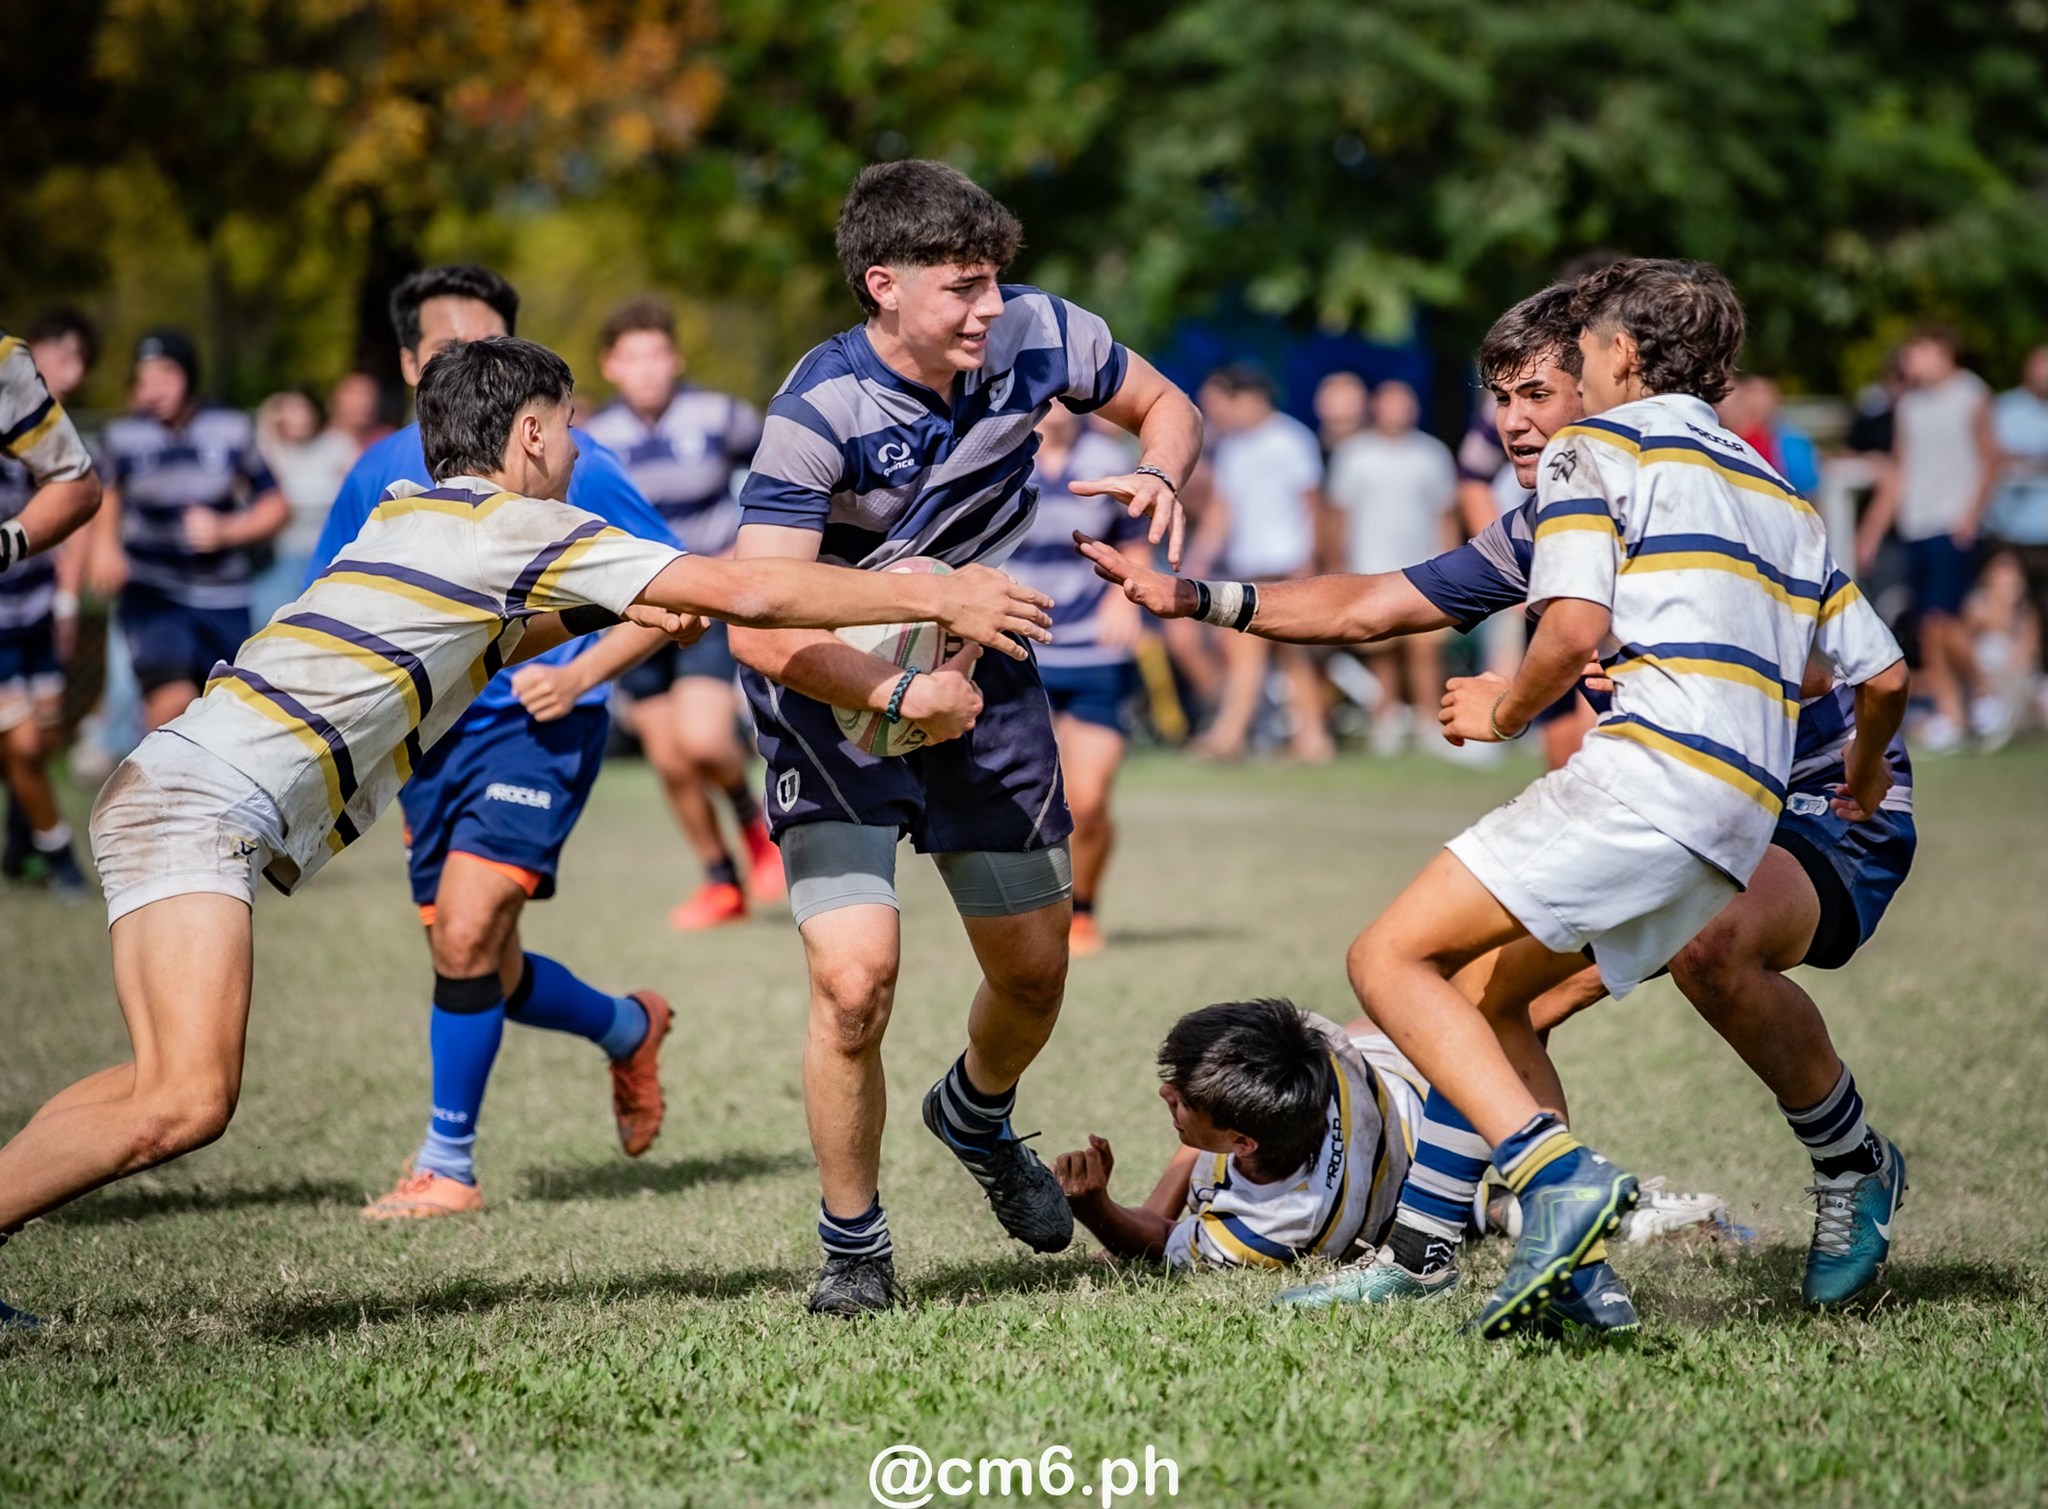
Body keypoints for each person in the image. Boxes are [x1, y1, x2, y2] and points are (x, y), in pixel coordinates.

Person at [0, 334, 1055, 1326]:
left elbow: (494, 638)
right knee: (185, 1100)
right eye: (569, 424)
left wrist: (626, 610)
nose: (581, 447)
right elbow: (742, 586)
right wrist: (944, 597)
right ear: (534, 435)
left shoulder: (412, 514)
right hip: (209, 800)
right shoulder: (517, 525)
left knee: (150, 1081)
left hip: (163, 779)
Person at [1086, 263, 1912, 1334]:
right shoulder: (1573, 511)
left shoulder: (1632, 471)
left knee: (1631, 956)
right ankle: (1480, 1255)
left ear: (1600, 377)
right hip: (1713, 791)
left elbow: (1818, 671)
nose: (1515, 425)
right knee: (1481, 1002)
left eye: (1537, 395)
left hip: (1814, 798)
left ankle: (1840, 1164)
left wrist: (1541, 695)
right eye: (1499, 398)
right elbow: (1377, 602)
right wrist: (1198, 598)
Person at [729, 159, 1201, 1316]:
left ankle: (974, 1114)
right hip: (833, 706)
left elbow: (1166, 404)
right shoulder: (816, 412)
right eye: (965, 286)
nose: (993, 306)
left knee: (1035, 972)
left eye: (996, 280)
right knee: (853, 985)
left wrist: (1158, 472)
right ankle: (853, 1248)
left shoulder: (1037, 332)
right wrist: (900, 697)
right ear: (881, 286)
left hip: (985, 684)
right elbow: (755, 622)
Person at [295, 266, 689, 1219]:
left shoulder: (574, 461)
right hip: (424, 744)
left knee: (469, 934)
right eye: (445, 351)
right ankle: (629, 1025)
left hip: (533, 726)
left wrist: (580, 673)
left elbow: (675, 591)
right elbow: (328, 610)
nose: (467, 366)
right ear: (408, 363)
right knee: (480, 965)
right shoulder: (375, 471)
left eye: (488, 346)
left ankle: (448, 1165)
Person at [583, 298, 780, 930]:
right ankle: (720, 881)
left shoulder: (720, 415)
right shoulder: (593, 440)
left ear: (676, 359)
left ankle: (756, 829)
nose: (646, 370)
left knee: (703, 740)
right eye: (631, 357)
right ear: (611, 366)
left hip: (710, 599)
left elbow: (784, 474)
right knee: (668, 759)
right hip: (636, 610)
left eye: (657, 355)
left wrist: (741, 549)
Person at [1053, 998, 1420, 1271]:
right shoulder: (1307, 1051)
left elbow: (1164, 1241)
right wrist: (1150, 1211)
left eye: (1182, 1101)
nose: (1165, 1091)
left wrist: (1094, 1207)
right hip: (1402, 1085)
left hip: (1409, 1105)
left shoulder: (1268, 1228)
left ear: (1243, 1144)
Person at [93, 331, 288, 730]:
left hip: (222, 595)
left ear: (189, 375)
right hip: (154, 592)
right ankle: (156, 790)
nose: (154, 388)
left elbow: (276, 503)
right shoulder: (122, 436)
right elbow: (103, 491)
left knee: (222, 715)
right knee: (171, 704)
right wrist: (105, 546)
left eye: (166, 375)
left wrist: (228, 530)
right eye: (144, 378)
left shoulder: (231, 428)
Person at [1005, 403, 1146, 957]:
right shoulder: (999, 456)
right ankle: (1026, 916)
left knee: (1086, 800)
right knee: (1026, 800)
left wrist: (1123, 594)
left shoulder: (1107, 461)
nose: (1057, 401)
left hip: (1094, 650)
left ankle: (1082, 909)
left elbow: (1135, 538)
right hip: (1019, 646)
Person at [0, 318, 105, 902]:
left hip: (35, 607)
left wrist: (65, 601)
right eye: (63, 357)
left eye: (80, 362)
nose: (73, 372)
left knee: (38, 743)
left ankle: (24, 847)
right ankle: (59, 855)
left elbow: (85, 497)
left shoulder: (35, 415)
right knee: (22, 747)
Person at [1857, 328, 2001, 752]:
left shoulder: (1972, 395)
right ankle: (1952, 714)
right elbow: (1899, 472)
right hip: (1917, 527)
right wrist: (1871, 530)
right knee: (1927, 627)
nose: (1910, 361)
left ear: (1943, 352)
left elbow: (1992, 459)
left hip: (1952, 525)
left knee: (1941, 620)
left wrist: (1971, 516)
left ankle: (1986, 692)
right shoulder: (1909, 404)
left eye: (1917, 352)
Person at [1188, 364, 1332, 762]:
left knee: (1294, 655)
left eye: (1221, 403)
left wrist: (1311, 562)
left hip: (1287, 566)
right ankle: (1293, 738)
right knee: (1251, 655)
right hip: (1248, 568)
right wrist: (1200, 554)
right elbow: (1223, 510)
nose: (1217, 413)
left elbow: (1312, 504)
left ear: (1249, 398)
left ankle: (1292, 736)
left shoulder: (1290, 440)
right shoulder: (1233, 448)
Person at [1324, 379, 1458, 755]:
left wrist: (1452, 560)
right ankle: (1386, 722)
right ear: (1376, 408)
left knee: (1425, 652)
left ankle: (1431, 722)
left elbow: (1445, 515)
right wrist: (1337, 565)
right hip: (1370, 568)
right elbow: (1338, 516)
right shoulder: (1354, 456)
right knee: (1382, 652)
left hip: (1425, 568)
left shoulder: (1432, 455)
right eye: (1389, 403)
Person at [251, 389, 364, 623]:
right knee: (267, 613)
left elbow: (358, 489)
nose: (297, 416)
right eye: (288, 409)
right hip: (285, 554)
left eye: (301, 408)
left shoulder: (337, 445)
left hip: (333, 552)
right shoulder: (274, 450)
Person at [1985, 345, 2048, 722]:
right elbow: (1994, 457)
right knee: (2009, 608)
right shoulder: (2005, 409)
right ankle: (1999, 696)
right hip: (2011, 530)